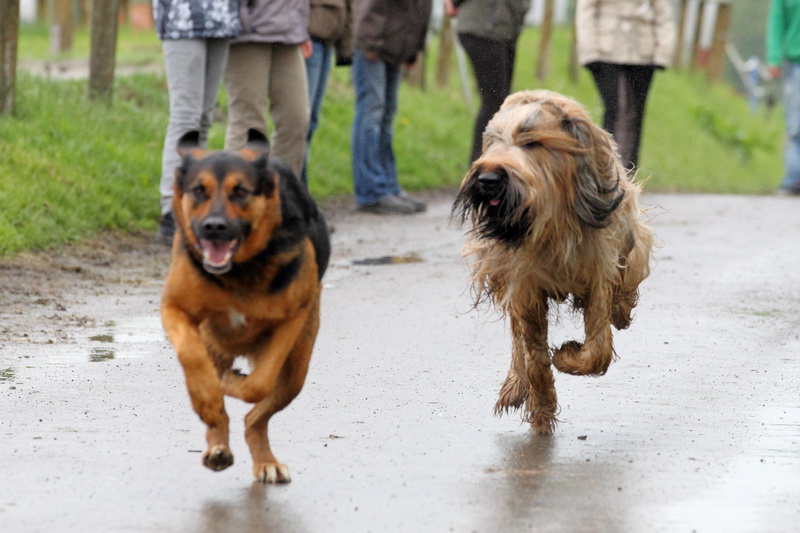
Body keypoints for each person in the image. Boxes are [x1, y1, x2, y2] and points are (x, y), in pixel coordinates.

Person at [153, 0, 242, 244]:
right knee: (186, 118)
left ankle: (192, 203)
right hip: (182, 19)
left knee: (203, 118)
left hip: (221, 18)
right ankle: (171, 209)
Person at [350, 0, 432, 214]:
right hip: (373, 44)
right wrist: (370, 42)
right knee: (371, 114)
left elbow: (421, 8)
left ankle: (388, 187)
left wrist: (413, 50)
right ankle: (371, 192)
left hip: (394, 47)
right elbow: (371, 5)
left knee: (386, 117)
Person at [575, 0, 675, 171]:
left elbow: (663, 13)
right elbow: (586, 9)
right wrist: (589, 50)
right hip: (605, 49)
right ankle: (608, 169)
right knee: (615, 110)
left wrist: (663, 52)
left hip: (643, 50)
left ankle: (629, 171)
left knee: (635, 114)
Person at [223, 0, 311, 178]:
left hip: (288, 32)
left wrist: (300, 28)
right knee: (248, 122)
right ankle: (240, 191)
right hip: (247, 33)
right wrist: (243, 17)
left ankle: (281, 190)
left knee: (295, 119)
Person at [444, 0, 531, 164]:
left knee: (501, 102)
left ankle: (493, 162)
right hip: (484, 28)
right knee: (495, 102)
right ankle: (481, 165)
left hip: (502, 31)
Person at [302, 0, 354, 185]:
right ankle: (295, 186)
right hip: (309, 38)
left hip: (327, 41)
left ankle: (300, 186)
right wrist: (300, 32)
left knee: (311, 119)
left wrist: (346, 48)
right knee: (302, 119)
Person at [767, 0, 800, 196]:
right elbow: (777, 22)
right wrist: (774, 57)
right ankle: (793, 177)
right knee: (795, 124)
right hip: (796, 63)